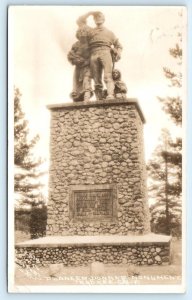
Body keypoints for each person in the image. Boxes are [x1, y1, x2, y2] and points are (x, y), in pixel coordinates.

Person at [77, 11, 122, 100]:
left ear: (103, 19)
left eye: (100, 17)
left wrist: (118, 52)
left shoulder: (109, 33)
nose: (98, 19)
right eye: (96, 17)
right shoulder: (90, 31)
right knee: (96, 79)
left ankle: (110, 95)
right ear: (94, 19)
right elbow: (80, 21)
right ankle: (99, 98)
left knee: (107, 76)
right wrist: (90, 13)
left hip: (105, 52)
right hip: (93, 54)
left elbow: (119, 45)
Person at [67, 26, 93, 102]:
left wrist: (87, 61)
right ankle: (77, 97)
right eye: (80, 33)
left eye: (84, 32)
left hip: (87, 66)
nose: (82, 34)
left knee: (86, 80)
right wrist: (75, 60)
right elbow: (70, 55)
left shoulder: (90, 44)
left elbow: (94, 55)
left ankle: (86, 97)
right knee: (76, 82)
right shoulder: (76, 45)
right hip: (78, 67)